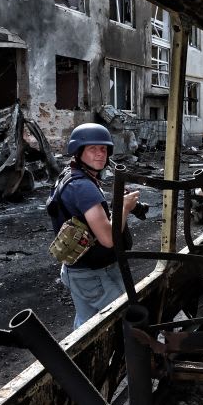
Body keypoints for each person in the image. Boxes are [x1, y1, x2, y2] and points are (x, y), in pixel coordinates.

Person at [47, 123, 140, 329]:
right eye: (92, 149)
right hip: (94, 274)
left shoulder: (69, 176)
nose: (100, 154)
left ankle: (79, 361)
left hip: (76, 270)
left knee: (85, 326)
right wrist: (124, 208)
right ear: (79, 152)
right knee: (129, 321)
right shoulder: (83, 187)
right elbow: (108, 239)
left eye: (104, 149)